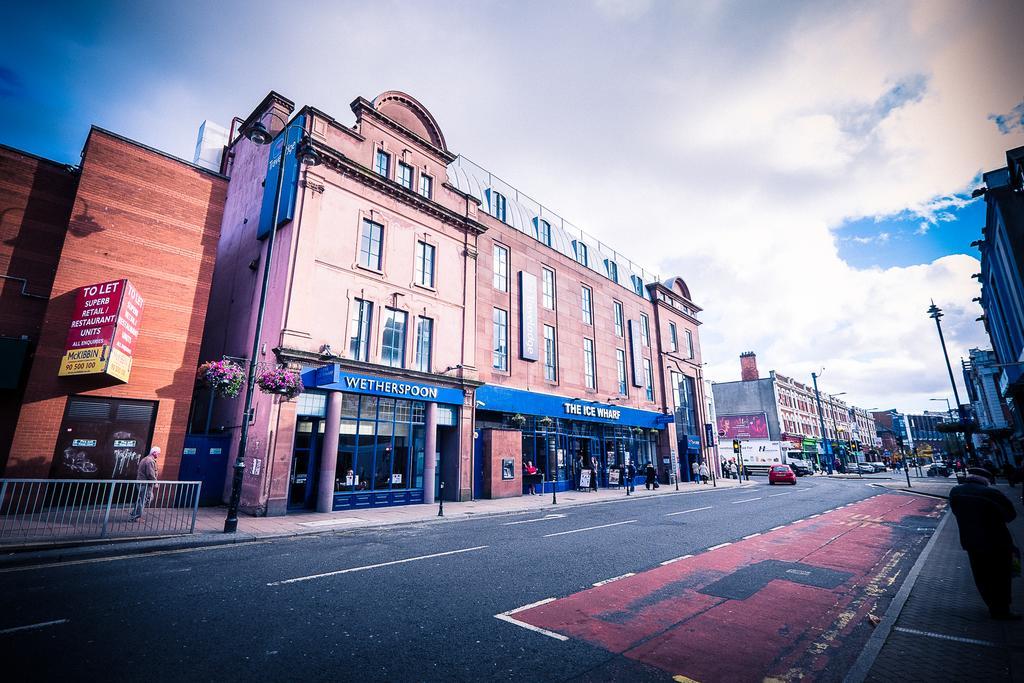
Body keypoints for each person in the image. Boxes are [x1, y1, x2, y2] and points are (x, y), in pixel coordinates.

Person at [949, 474, 1020, 620]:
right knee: (1001, 575)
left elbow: (955, 511)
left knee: (981, 575)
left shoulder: (956, 491)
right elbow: (1010, 515)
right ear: (984, 479)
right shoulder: (991, 493)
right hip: (996, 541)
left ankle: (991, 604)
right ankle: (1002, 609)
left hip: (970, 541)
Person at [129, 447, 160, 522]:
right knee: (144, 499)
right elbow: (150, 473)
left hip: (143, 483)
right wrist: (155, 482)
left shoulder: (146, 459)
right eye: (158, 453)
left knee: (145, 498)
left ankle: (135, 513)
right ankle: (136, 517)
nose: (159, 455)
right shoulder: (150, 461)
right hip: (144, 483)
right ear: (154, 452)